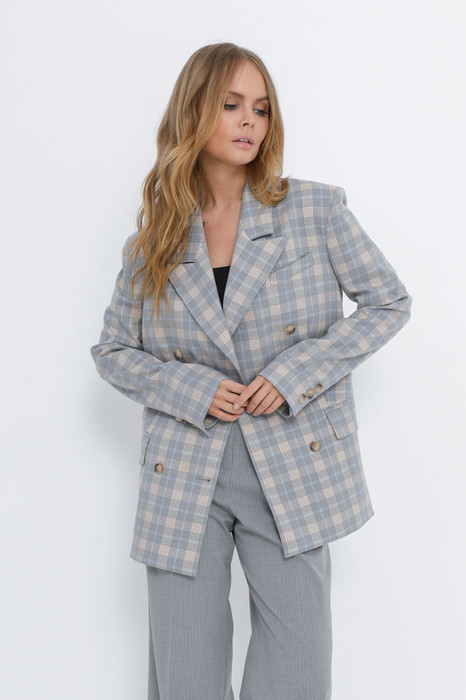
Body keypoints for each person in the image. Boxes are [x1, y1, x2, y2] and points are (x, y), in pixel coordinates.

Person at [90, 42, 412, 700]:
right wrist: (193, 387)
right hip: (185, 468)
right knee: (186, 674)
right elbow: (113, 351)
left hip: (291, 459)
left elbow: (389, 302)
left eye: (261, 109)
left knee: (296, 669)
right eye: (231, 104)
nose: (249, 122)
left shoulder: (314, 210)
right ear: (193, 112)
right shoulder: (153, 239)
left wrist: (296, 373)